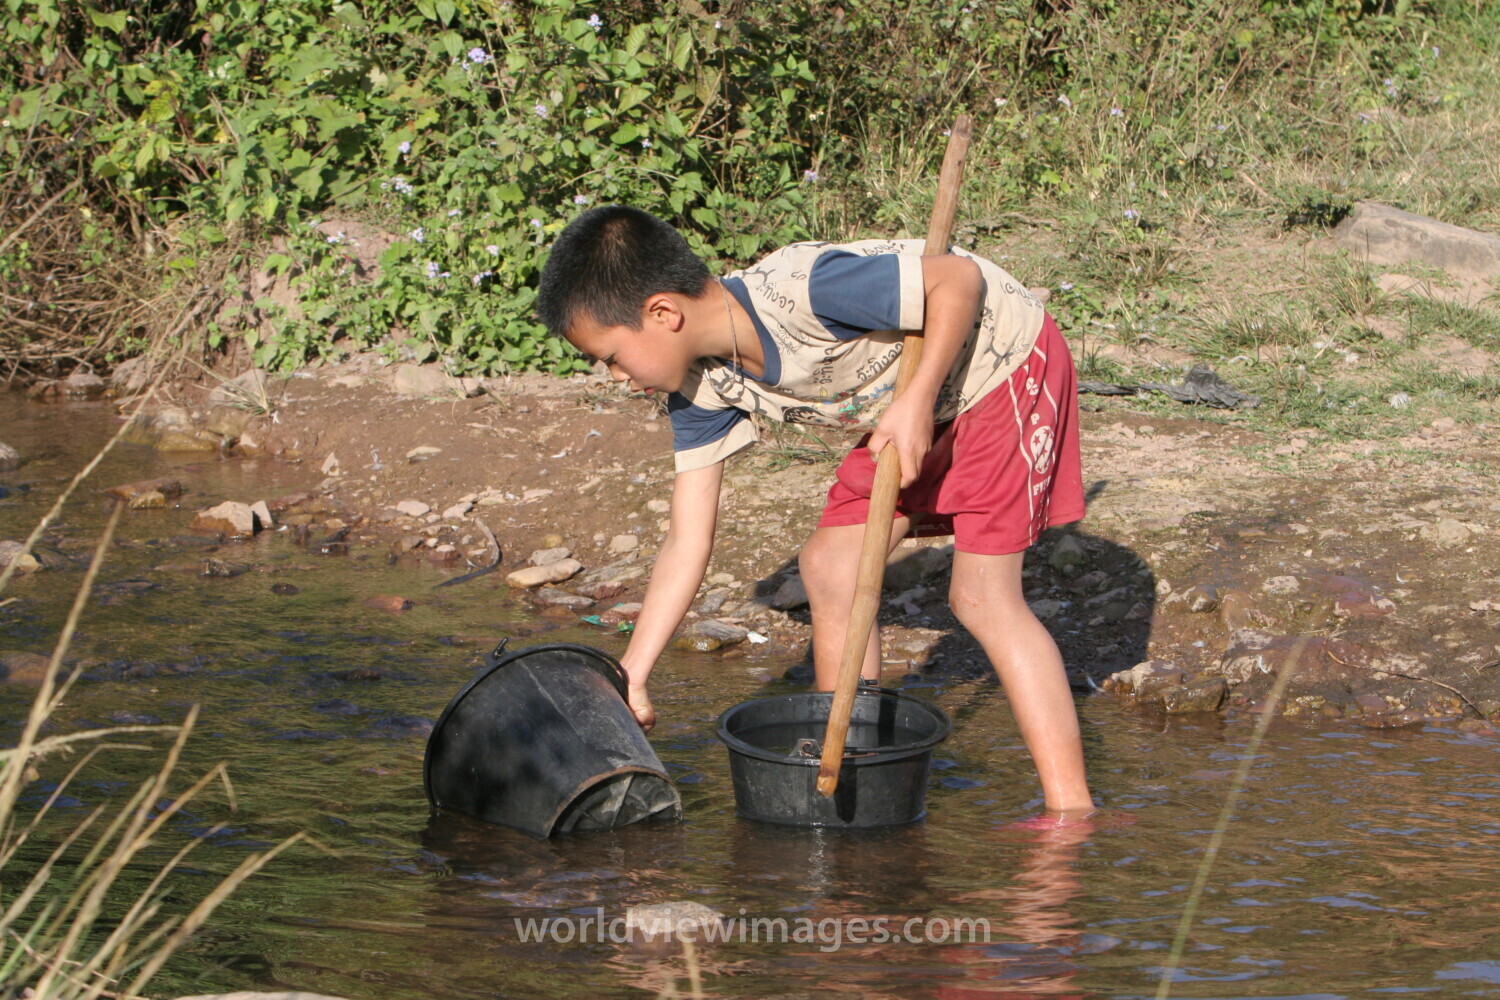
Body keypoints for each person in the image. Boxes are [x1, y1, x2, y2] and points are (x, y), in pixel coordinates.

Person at [536, 205, 1093, 815]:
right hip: (917, 401)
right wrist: (635, 671)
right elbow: (687, 539)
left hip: (999, 364)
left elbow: (957, 280)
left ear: (663, 314)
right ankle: (854, 758)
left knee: (981, 596)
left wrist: (917, 399)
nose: (612, 376)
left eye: (612, 356)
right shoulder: (700, 386)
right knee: (830, 567)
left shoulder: (806, 292)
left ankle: (1070, 811)